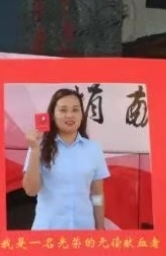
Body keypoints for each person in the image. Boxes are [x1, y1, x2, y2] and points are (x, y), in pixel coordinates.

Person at [22, 88, 110, 230]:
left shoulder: (93, 149)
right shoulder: (39, 146)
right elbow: (31, 191)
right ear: (53, 115)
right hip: (48, 231)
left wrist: (100, 227)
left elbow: (97, 195)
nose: (70, 115)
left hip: (83, 231)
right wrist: (35, 150)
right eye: (63, 110)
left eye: (75, 110)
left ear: (82, 115)